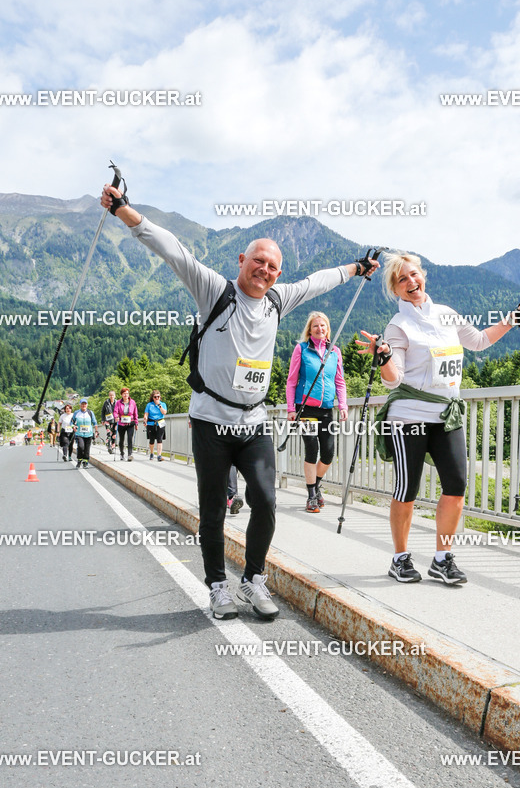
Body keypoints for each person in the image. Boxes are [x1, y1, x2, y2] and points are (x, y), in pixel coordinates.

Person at [101, 182, 378, 621]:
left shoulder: (277, 300)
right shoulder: (215, 289)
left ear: (277, 275)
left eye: (272, 266)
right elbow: (173, 250)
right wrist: (124, 210)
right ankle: (217, 586)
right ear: (241, 261)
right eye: (258, 261)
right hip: (210, 421)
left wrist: (357, 268)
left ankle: (252, 579)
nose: (264, 270)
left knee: (265, 500)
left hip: (254, 423)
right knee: (213, 510)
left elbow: (318, 282)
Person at [359, 251, 520, 586]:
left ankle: (442, 559)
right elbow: (394, 380)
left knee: (456, 486)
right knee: (407, 488)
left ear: (423, 275)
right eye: (402, 279)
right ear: (395, 290)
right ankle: (400, 558)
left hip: (447, 415)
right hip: (409, 416)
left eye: (414, 274)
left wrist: (512, 318)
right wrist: (384, 357)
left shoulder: (447, 315)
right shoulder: (398, 326)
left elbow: (479, 341)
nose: (411, 282)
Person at [285, 311, 348, 512]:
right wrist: (291, 408)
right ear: (310, 330)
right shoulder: (302, 349)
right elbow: (291, 381)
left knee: (328, 453)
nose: (320, 329)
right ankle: (312, 496)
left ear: (327, 329)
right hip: (306, 409)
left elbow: (339, 381)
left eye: (323, 325)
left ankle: (316, 485)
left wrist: (343, 405)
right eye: (315, 326)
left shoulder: (334, 351)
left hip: (327, 409)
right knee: (311, 449)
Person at [71, 398, 98, 469]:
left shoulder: (90, 413)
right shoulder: (76, 413)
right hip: (79, 434)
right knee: (81, 447)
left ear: (87, 405)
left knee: (87, 449)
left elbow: (95, 422)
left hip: (89, 434)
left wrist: (96, 431)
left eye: (85, 404)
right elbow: (72, 422)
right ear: (80, 405)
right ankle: (79, 460)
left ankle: (85, 462)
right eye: (82, 404)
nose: (84, 405)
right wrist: (73, 426)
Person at [113, 388, 138, 461]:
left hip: (130, 422)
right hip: (121, 423)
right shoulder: (118, 402)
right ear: (121, 395)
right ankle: (122, 453)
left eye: (127, 393)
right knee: (121, 439)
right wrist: (116, 417)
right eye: (124, 393)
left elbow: (135, 413)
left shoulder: (133, 402)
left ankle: (130, 454)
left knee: (130, 438)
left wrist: (136, 423)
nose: (126, 395)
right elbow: (115, 411)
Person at [143, 389, 167, 461]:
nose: (156, 398)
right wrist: (145, 419)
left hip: (161, 422)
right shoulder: (149, 405)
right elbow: (146, 414)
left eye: (158, 397)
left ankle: (159, 455)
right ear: (152, 398)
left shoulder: (163, 404)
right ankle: (152, 453)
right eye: (155, 397)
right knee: (152, 440)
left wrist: (159, 405)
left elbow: (164, 412)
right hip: (151, 423)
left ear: (160, 397)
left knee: (160, 439)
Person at [101, 390, 117, 455]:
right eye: (110, 395)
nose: (111, 396)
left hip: (115, 421)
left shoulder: (117, 402)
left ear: (115, 396)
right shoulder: (106, 402)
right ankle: (109, 446)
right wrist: (103, 420)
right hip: (108, 420)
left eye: (112, 395)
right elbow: (103, 411)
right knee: (109, 433)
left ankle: (113, 447)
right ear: (109, 396)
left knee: (114, 434)